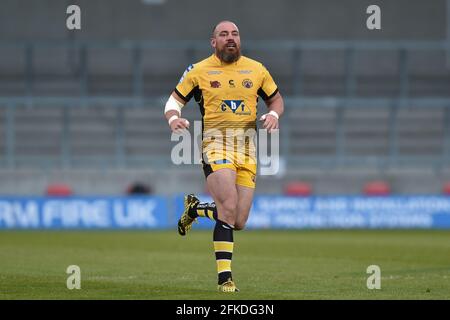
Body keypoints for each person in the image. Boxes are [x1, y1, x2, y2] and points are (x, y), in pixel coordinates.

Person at [163, 21, 284, 293]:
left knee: (238, 220)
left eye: (235, 34)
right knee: (228, 205)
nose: (230, 38)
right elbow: (173, 101)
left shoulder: (257, 69)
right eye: (223, 34)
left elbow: (276, 99)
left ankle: (194, 209)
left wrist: (274, 114)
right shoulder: (198, 71)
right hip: (215, 145)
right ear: (213, 42)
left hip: (247, 148)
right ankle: (225, 279)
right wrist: (174, 118)